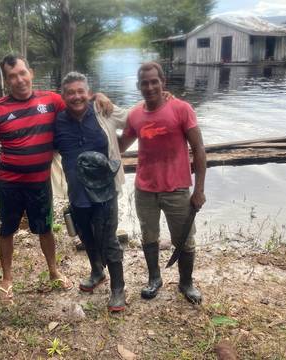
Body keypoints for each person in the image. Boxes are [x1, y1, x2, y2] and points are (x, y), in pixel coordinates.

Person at [119, 61, 206, 304]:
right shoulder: (135, 114)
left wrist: (198, 189)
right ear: (138, 86)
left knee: (185, 240)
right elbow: (119, 146)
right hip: (144, 188)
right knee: (149, 236)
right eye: (144, 83)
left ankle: (186, 283)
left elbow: (199, 150)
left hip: (177, 188)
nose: (150, 87)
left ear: (162, 82)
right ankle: (154, 278)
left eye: (154, 81)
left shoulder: (182, 109)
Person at [53, 72, 128, 312]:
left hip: (105, 191)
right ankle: (97, 272)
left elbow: (135, 119)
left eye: (81, 91)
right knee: (85, 236)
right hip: (77, 192)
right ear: (62, 96)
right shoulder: (57, 122)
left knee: (109, 239)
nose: (76, 96)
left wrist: (164, 100)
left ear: (88, 92)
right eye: (70, 92)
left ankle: (118, 288)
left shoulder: (102, 110)